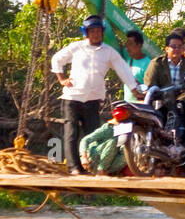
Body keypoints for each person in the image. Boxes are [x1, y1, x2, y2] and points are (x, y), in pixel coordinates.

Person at [51, 14, 144, 175]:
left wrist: (134, 88)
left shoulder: (108, 52)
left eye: (98, 31)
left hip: (93, 100)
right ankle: (74, 168)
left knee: (93, 134)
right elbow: (57, 59)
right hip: (72, 98)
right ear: (86, 32)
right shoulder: (76, 47)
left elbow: (123, 70)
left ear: (102, 32)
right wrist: (61, 79)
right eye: (92, 31)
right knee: (71, 134)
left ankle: (93, 167)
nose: (96, 34)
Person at [143, 32, 185, 155]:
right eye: (173, 46)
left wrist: (180, 100)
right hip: (160, 101)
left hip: (181, 100)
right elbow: (150, 84)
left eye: (180, 46)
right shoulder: (156, 64)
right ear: (167, 48)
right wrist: (163, 97)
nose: (177, 49)